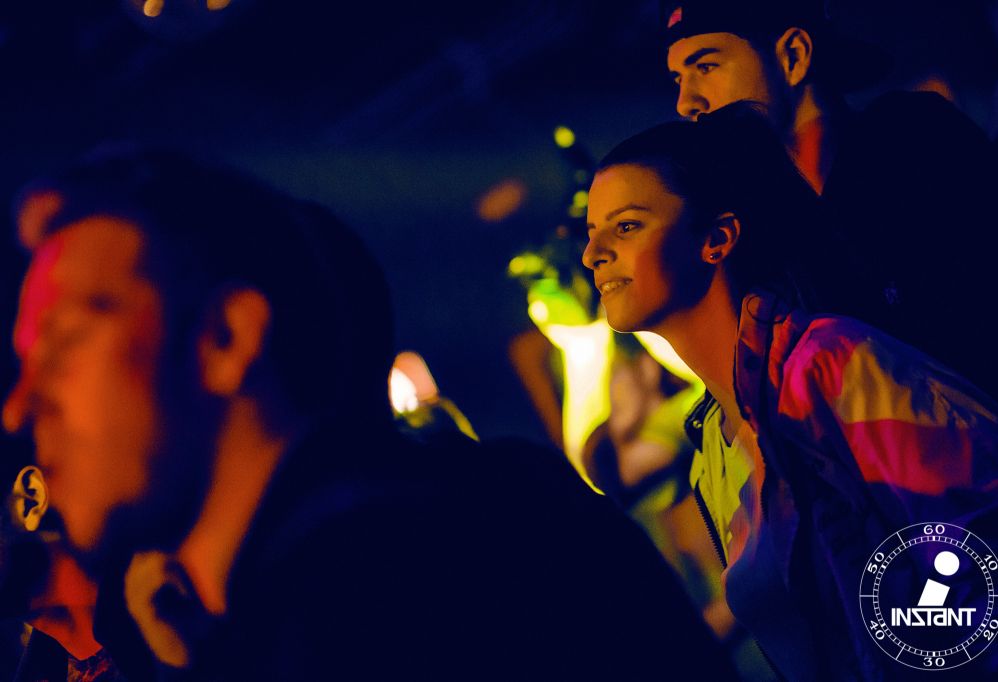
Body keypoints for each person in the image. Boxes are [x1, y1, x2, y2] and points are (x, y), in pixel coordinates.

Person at [4, 149, 734, 680]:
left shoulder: (389, 597)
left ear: (226, 338)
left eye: (66, 339)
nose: (18, 407)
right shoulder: (484, 506)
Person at [582, 103, 998, 679]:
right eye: (592, 233)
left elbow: (994, 557)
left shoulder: (831, 367)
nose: (592, 254)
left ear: (717, 237)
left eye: (626, 226)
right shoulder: (713, 443)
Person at [661, 0, 998, 429]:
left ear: (793, 57)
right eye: (678, 79)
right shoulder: (753, 225)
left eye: (706, 67)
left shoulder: (915, 145)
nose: (685, 102)